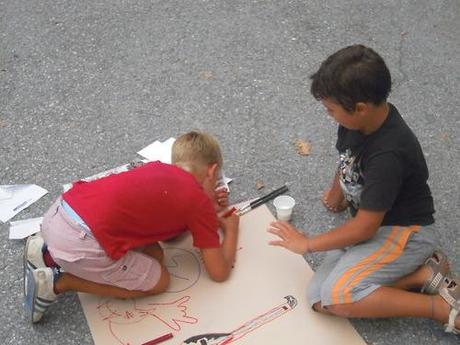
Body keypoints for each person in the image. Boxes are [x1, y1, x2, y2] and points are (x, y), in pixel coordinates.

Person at [267, 45, 459, 335]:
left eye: (331, 109)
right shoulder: (358, 124)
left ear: (360, 108)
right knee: (319, 299)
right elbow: (346, 157)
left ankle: (440, 308)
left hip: (405, 233)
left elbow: (364, 229)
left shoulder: (388, 155)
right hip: (373, 226)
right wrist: (336, 194)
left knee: (338, 297)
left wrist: (307, 244)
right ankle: (421, 276)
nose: (329, 116)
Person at [24, 130, 239, 323]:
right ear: (212, 171)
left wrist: (208, 210)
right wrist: (231, 229)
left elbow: (168, 237)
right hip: (81, 243)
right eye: (218, 181)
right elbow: (219, 272)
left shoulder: (157, 168)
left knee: (155, 254)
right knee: (160, 282)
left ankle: (46, 254)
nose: (218, 187)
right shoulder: (197, 201)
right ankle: (58, 282)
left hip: (59, 214)